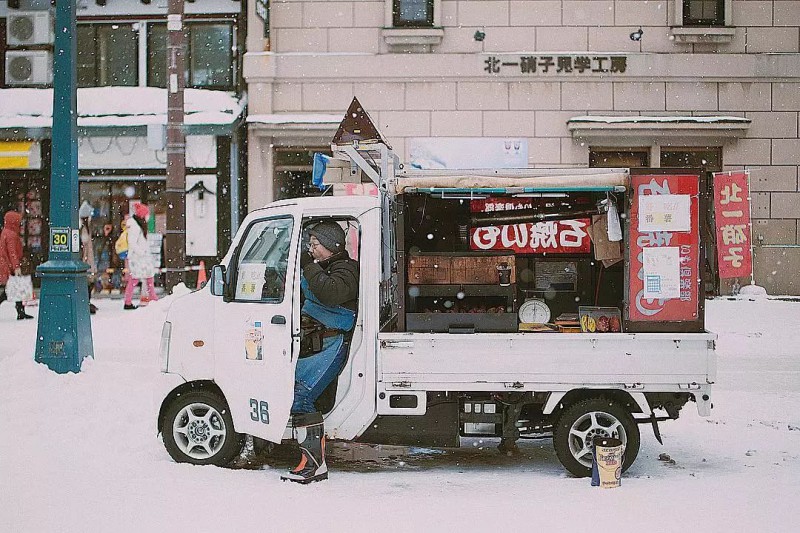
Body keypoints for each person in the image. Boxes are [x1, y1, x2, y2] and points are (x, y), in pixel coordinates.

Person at [281, 220, 359, 484]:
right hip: (316, 341)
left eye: (315, 245)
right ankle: (310, 461)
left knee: (301, 395)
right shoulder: (324, 267)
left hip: (332, 343)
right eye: (310, 244)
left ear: (331, 246)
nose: (310, 249)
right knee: (295, 392)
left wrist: (307, 266)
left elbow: (330, 292)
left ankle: (314, 465)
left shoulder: (346, 269)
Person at [123, 203, 158, 310]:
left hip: (140, 257)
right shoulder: (135, 226)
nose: (148, 217)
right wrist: (142, 253)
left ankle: (151, 298)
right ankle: (129, 301)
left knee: (145, 278)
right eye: (146, 214)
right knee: (137, 279)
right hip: (138, 257)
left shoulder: (136, 225)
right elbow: (132, 243)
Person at [0, 210, 33, 320]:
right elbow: (12, 252)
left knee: (14, 287)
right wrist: (16, 266)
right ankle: (20, 311)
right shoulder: (12, 235)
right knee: (10, 289)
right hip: (9, 266)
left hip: (5, 264)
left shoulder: (5, 232)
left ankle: (20, 311)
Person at [79, 201, 98, 314]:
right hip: (86, 259)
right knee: (88, 282)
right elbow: (85, 245)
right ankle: (86, 302)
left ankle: (86, 302)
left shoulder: (84, 227)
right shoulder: (83, 228)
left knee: (89, 281)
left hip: (87, 258)